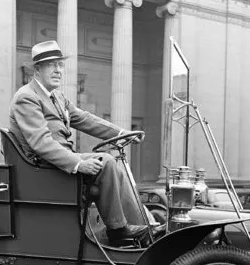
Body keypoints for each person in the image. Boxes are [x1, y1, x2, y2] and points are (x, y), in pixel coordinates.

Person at [8, 40, 149, 247]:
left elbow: (85, 119)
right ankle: (118, 230)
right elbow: (41, 143)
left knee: (115, 168)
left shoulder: (56, 97)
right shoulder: (26, 97)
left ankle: (140, 228)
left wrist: (121, 132)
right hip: (43, 168)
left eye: (60, 65)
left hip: (56, 165)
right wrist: (77, 163)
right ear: (37, 69)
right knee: (107, 162)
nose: (58, 70)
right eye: (51, 65)